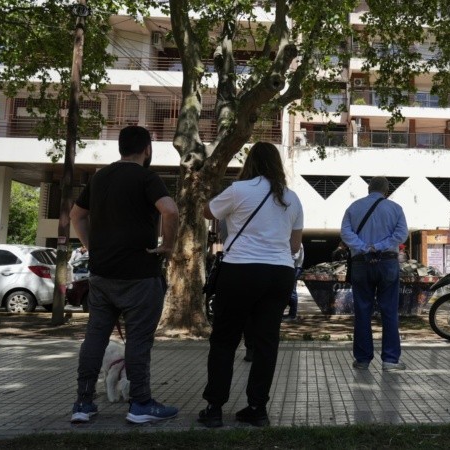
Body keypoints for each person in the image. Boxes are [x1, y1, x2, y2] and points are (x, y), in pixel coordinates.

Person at [69, 125, 179, 424]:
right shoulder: (146, 177)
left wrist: (92, 247)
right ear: (147, 149)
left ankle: (83, 403)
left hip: (102, 274)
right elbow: (170, 210)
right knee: (138, 341)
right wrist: (168, 246)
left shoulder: (99, 177)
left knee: (95, 338)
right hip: (140, 274)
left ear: (120, 148)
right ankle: (140, 403)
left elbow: (77, 215)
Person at [198, 142, 303, 428]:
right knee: (266, 342)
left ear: (250, 163)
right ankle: (257, 408)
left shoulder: (239, 190)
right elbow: (294, 246)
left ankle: (215, 408)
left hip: (241, 270)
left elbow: (208, 212)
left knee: (224, 339)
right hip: (280, 273)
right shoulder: (292, 198)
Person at [341, 176, 408, 371]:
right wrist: (379, 246)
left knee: (362, 311)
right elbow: (401, 234)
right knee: (389, 311)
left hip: (361, 263)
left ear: (368, 189)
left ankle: (362, 359)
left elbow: (345, 233)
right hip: (387, 263)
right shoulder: (396, 209)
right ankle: (390, 360)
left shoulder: (354, 207)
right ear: (387, 191)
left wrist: (364, 247)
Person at [283, 243, 305, 321]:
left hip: (294, 267)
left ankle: (292, 315)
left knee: (292, 290)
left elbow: (294, 257)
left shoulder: (296, 243)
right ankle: (290, 314)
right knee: (288, 290)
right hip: (293, 267)